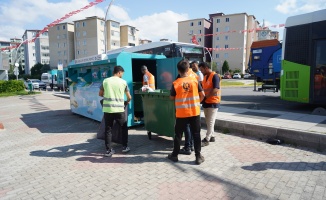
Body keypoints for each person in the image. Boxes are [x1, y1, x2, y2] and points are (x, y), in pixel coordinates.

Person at [168, 59, 205, 165]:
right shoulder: (194, 81)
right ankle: (198, 157)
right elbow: (203, 95)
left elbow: (171, 97)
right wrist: (197, 103)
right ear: (188, 69)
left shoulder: (175, 83)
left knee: (178, 134)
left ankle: (174, 155)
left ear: (178, 71)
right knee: (196, 134)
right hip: (194, 112)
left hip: (181, 113)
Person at [99, 65, 132, 157]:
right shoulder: (123, 82)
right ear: (119, 72)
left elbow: (100, 94)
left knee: (108, 129)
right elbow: (129, 97)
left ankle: (109, 150)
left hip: (108, 109)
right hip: (119, 109)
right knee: (124, 127)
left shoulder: (105, 81)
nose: (122, 75)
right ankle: (125, 147)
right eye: (122, 74)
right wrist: (127, 101)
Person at [198, 62, 221, 147]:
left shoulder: (215, 76)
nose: (201, 72)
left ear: (206, 68)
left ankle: (207, 139)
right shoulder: (205, 77)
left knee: (210, 121)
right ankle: (212, 136)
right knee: (208, 121)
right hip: (206, 102)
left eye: (202, 70)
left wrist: (206, 96)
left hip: (213, 102)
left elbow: (215, 89)